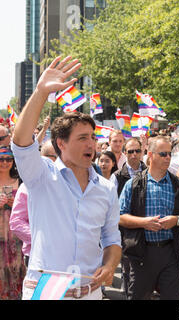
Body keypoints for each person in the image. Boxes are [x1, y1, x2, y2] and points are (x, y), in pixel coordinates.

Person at [12, 56, 122, 300]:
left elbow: (112, 238)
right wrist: (40, 93)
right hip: (46, 292)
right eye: (82, 138)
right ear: (61, 143)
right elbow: (20, 143)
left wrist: (110, 264)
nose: (91, 144)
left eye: (93, 138)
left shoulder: (105, 188)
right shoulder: (40, 175)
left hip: (90, 293)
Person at [119, 135, 179, 300]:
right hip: (142, 254)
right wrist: (143, 223)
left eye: (169, 154)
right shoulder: (133, 184)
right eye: (163, 154)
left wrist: (176, 220)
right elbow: (120, 217)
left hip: (171, 253)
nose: (167, 158)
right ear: (150, 155)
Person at [9, 141, 58, 268]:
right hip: (37, 256)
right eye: (56, 157)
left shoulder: (70, 184)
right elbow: (16, 222)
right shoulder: (27, 186)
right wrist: (42, 239)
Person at [114, 137, 147, 298]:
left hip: (147, 229)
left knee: (146, 271)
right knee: (128, 269)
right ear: (124, 153)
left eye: (137, 151)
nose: (134, 155)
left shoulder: (150, 172)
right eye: (130, 151)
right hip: (125, 231)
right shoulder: (118, 176)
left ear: (142, 152)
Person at [0, 146, 26, 299]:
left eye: (8, 159)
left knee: (16, 266)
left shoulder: (20, 179)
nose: (5, 162)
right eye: (1, 159)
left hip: (16, 234)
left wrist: (16, 202)